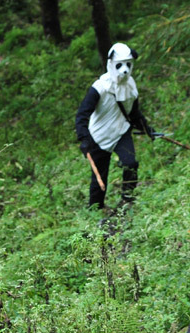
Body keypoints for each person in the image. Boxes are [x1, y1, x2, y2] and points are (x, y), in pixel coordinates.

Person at [75, 42, 156, 210]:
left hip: (121, 132)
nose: (124, 69)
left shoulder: (131, 85)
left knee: (130, 163)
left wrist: (147, 129)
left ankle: (128, 198)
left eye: (128, 64)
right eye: (120, 65)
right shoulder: (100, 87)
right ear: (111, 63)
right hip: (99, 136)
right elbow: (82, 115)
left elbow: (134, 113)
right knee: (100, 177)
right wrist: (84, 138)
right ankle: (96, 209)